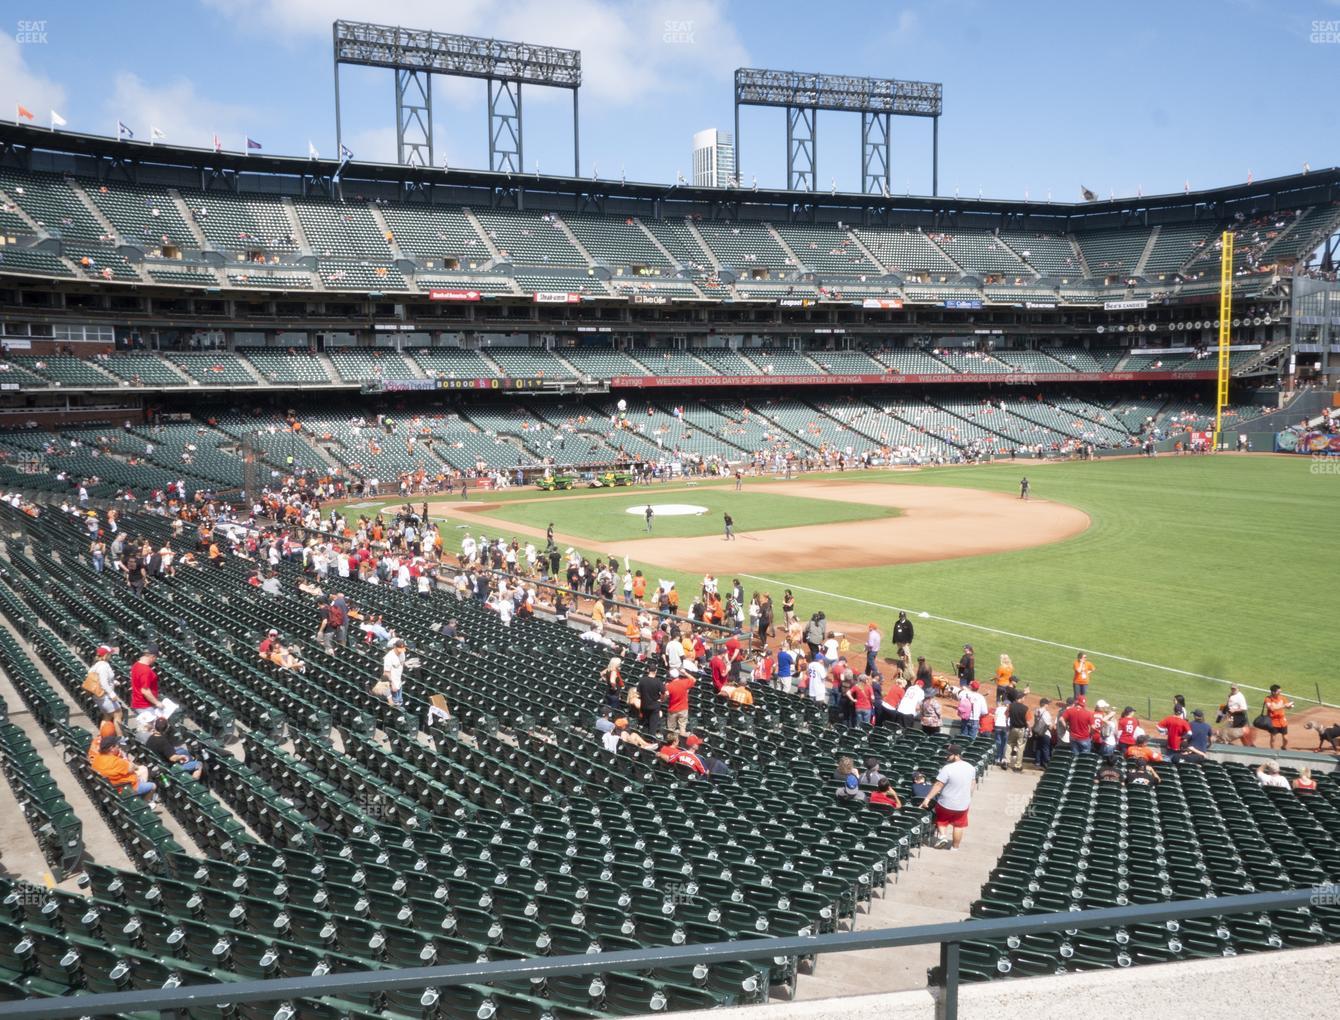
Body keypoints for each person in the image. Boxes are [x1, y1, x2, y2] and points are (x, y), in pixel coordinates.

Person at [920, 743, 975, 850]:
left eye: (949, 754)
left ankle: (943, 836)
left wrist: (927, 798)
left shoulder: (947, 768)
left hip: (946, 803)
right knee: (959, 826)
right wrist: (968, 796)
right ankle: (955, 848)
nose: (946, 756)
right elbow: (973, 783)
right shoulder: (971, 767)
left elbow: (938, 785)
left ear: (956, 755)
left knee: (941, 819)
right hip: (963, 804)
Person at [89, 733, 158, 808]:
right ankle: (143, 805)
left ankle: (139, 798)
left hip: (112, 786)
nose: (118, 746)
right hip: (126, 788)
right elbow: (132, 767)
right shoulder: (115, 761)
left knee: (143, 770)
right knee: (153, 786)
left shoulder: (97, 759)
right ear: (111, 748)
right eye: (116, 745)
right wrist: (124, 757)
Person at [87, 645, 123, 736]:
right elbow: (103, 683)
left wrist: (113, 682)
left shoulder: (96, 665)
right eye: (109, 654)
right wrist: (112, 694)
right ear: (105, 655)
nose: (111, 655)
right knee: (118, 714)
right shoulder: (103, 666)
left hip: (98, 695)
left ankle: (102, 735)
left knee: (107, 716)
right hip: (105, 696)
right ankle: (121, 739)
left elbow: (99, 679)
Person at [129, 644, 163, 725]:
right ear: (152, 657)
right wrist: (157, 703)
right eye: (156, 658)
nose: (156, 660)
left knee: (144, 729)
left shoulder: (136, 664)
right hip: (145, 706)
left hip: (138, 702)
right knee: (149, 730)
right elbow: (145, 691)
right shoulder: (146, 671)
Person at [1263, 684, 1294, 750]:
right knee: (1273, 739)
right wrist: (1284, 706)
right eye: (1278, 692)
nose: (1280, 693)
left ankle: (1283, 747)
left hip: (1282, 721)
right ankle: (1272, 750)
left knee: (1286, 739)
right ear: (1273, 692)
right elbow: (1272, 708)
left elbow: (1287, 706)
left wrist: (1289, 706)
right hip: (1273, 722)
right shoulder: (1268, 699)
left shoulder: (1283, 698)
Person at [1005, 690, 1030, 772]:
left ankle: (1006, 761)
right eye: (1024, 698)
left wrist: (1007, 726)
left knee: (1009, 744)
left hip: (1012, 728)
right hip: (1021, 730)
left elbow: (1006, 716)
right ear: (1021, 698)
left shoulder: (1010, 706)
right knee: (1020, 748)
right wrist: (1030, 731)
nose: (1025, 699)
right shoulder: (1025, 708)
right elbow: (1028, 722)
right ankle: (1018, 766)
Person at [636, 666, 666, 734]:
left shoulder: (642, 680)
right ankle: (650, 740)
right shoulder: (658, 682)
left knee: (645, 724)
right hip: (654, 707)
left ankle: (643, 737)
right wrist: (661, 699)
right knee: (653, 726)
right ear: (656, 671)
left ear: (648, 670)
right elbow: (664, 693)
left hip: (644, 705)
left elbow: (638, 692)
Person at [665, 668, 695, 734]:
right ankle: (682, 743)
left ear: (670, 677)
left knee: (671, 729)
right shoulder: (684, 682)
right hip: (683, 708)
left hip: (673, 709)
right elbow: (694, 680)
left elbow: (664, 698)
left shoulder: (669, 686)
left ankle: (671, 743)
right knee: (682, 727)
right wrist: (685, 673)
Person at [382, 638, 408, 708]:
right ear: (395, 647)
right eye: (399, 649)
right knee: (395, 705)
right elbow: (386, 674)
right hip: (392, 684)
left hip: (398, 681)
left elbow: (401, 663)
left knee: (400, 701)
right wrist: (392, 684)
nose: (401, 652)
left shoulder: (402, 653)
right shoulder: (389, 657)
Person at [1032, 698, 1054, 768]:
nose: (1048, 705)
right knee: (1045, 748)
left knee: (1038, 747)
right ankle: (1046, 763)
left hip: (1038, 732)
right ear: (1044, 704)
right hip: (1045, 733)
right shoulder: (1046, 713)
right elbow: (1049, 726)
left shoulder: (1036, 711)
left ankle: (1037, 762)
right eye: (1047, 704)